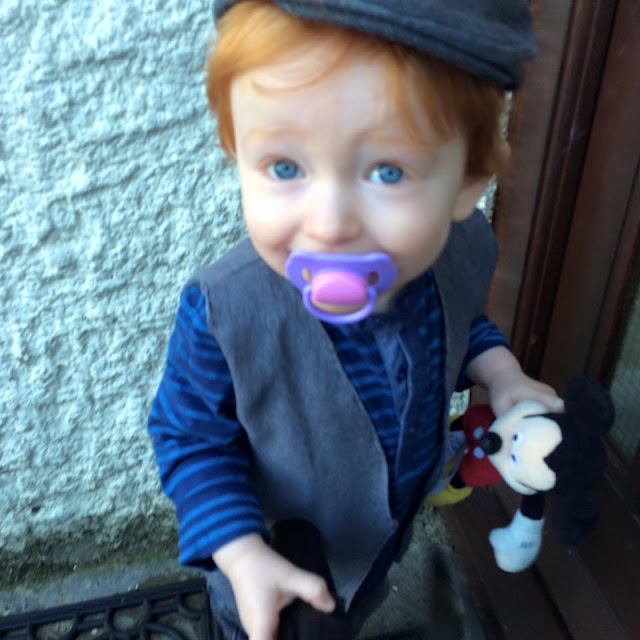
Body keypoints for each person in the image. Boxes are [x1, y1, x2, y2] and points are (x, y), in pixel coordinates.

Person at [148, 1, 564, 638]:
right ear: (239, 150)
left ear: (468, 184)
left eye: (387, 171)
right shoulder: (224, 312)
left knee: (361, 601)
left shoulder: (460, 253)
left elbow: (459, 326)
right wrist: (239, 551)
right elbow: (189, 435)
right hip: (271, 565)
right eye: (285, 167)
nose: (329, 223)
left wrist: (501, 372)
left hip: (382, 534)